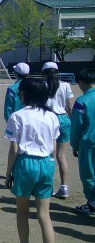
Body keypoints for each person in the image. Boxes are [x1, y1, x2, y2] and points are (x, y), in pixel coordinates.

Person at [5, 78, 60, 243]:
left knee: (22, 211)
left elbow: (14, 148)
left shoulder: (17, 116)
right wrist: (51, 165)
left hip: (25, 163)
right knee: (44, 215)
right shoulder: (52, 116)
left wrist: (8, 172)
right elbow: (54, 146)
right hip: (46, 163)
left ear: (24, 94)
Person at [42, 62, 74, 199]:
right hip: (63, 120)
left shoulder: (42, 85)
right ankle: (64, 187)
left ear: (43, 73)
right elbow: (70, 107)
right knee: (61, 156)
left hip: (47, 119)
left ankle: (48, 187)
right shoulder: (66, 85)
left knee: (49, 156)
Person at [71, 68, 95, 215]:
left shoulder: (81, 101)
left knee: (88, 174)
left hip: (88, 143)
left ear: (81, 83)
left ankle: (92, 202)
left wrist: (74, 145)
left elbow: (76, 127)